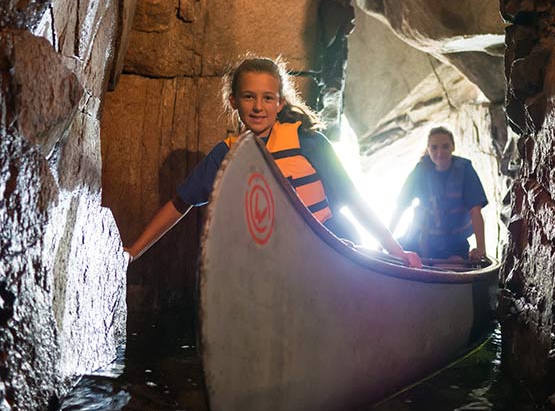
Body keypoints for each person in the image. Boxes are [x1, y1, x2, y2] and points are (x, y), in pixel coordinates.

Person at [124, 56, 421, 268]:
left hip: (330, 253)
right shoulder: (224, 155)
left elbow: (353, 201)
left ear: (280, 103)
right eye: (249, 97)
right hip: (271, 261)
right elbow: (180, 203)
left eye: (268, 98)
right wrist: (133, 252)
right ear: (233, 101)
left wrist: (395, 250)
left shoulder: (310, 143)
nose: (257, 106)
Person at [389, 126, 487, 261]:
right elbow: (400, 207)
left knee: (456, 264)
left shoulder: (464, 170)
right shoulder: (420, 171)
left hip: (454, 243)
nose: (440, 153)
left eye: (445, 147)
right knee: (410, 262)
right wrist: (386, 243)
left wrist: (481, 248)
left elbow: (475, 211)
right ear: (428, 149)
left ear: (453, 147)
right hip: (419, 241)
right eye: (434, 148)